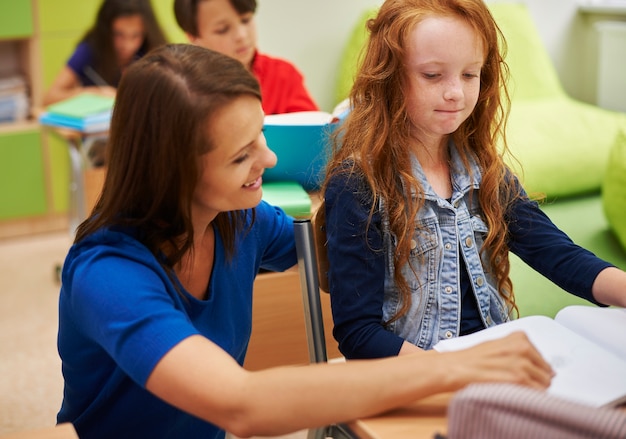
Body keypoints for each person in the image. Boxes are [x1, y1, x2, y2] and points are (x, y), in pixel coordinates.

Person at [56, 43, 554, 439]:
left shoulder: (240, 223)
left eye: (261, 136)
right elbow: (242, 405)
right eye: (240, 156)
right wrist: (452, 368)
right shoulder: (109, 275)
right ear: (171, 174)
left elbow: (336, 255)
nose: (269, 162)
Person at [321, 0, 626, 359]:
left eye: (469, 74)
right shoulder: (359, 185)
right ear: (389, 77)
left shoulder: (483, 170)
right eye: (433, 75)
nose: (456, 93)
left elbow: (556, 254)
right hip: (419, 374)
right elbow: (358, 333)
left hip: (490, 360)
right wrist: (454, 370)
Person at [174, 0, 318, 115]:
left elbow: (314, 134)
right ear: (193, 38)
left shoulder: (283, 75)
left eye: (246, 20)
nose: (241, 35)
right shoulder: (186, 89)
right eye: (222, 30)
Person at [43, 0, 167, 106]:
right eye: (119, 34)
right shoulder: (90, 49)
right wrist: (93, 93)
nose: (127, 45)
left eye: (136, 35)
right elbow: (49, 98)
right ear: (106, 29)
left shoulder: (154, 50)